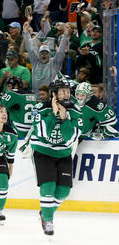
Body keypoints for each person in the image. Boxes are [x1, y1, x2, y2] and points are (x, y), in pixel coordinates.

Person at [29, 78, 82, 236]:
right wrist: (53, 113)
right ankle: (48, 221)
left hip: (64, 152)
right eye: (62, 91)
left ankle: (45, 212)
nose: (66, 94)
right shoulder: (40, 108)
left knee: (64, 191)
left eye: (67, 90)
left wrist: (64, 118)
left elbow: (71, 138)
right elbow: (43, 134)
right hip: (43, 151)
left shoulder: (75, 110)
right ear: (54, 94)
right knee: (48, 187)